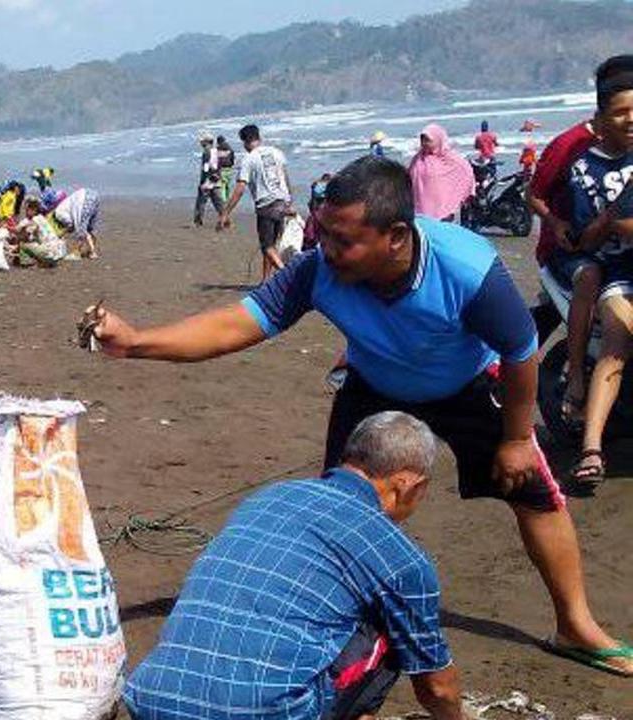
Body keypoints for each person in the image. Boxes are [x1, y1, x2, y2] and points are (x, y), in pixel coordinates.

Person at [90, 155, 633, 678]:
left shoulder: (466, 269)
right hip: (375, 389)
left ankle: (575, 626)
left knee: (534, 495)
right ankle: (332, 622)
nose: (324, 249)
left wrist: (516, 438)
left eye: (342, 240)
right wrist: (137, 341)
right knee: (339, 511)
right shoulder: (317, 270)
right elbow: (237, 325)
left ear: (396, 235)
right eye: (323, 233)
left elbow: (520, 352)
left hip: (469, 385)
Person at [125, 412, 465, 720]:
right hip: (263, 712)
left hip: (154, 698)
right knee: (392, 625)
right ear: (407, 484)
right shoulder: (399, 555)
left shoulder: (269, 497)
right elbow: (437, 688)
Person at [529, 55, 633, 428]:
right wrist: (556, 224)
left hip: (616, 251)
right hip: (572, 250)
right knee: (589, 277)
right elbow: (534, 194)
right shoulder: (571, 145)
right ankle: (575, 374)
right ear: (604, 104)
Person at [566, 68, 633, 488]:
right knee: (618, 337)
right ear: (601, 117)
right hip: (616, 270)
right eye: (622, 111)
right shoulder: (583, 169)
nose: (632, 119)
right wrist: (611, 220)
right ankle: (592, 447)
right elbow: (587, 237)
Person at [219, 124, 294, 280]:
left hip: (266, 205)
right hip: (283, 203)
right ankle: (266, 281)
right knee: (272, 246)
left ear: (245, 142)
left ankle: (288, 275)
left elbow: (240, 189)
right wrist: (289, 202)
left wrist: (225, 213)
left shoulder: (249, 158)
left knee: (267, 247)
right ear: (259, 137)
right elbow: (286, 178)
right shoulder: (277, 153)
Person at [408, 124, 475, 222]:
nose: (424, 143)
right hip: (420, 206)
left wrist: (467, 191)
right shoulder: (418, 158)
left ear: (438, 140)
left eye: (428, 140)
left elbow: (466, 171)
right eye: (422, 140)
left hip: (442, 208)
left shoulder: (449, 158)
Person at [13, 197, 68, 267]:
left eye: (27, 210)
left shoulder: (34, 221)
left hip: (49, 251)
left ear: (34, 210)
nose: (26, 212)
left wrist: (17, 241)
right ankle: (46, 262)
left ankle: (27, 263)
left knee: (23, 244)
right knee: (34, 245)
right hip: (59, 251)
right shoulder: (42, 219)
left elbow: (26, 234)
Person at [52, 186, 101, 258]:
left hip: (82, 199)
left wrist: (60, 234)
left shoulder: (58, 214)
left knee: (81, 229)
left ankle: (77, 253)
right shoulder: (64, 205)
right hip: (93, 195)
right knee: (90, 229)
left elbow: (71, 225)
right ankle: (91, 251)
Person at [193, 132, 225, 228]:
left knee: (201, 202)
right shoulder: (216, 151)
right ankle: (225, 219)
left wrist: (203, 182)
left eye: (202, 141)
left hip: (208, 180)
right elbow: (219, 165)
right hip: (216, 179)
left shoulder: (206, 152)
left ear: (206, 142)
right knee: (219, 202)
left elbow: (205, 168)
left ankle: (198, 222)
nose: (200, 143)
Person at [215, 135, 236, 201]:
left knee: (222, 185)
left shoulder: (218, 149)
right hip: (229, 168)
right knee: (227, 184)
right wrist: (232, 165)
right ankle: (227, 197)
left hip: (222, 168)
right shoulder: (230, 148)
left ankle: (223, 200)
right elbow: (232, 158)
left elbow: (217, 160)